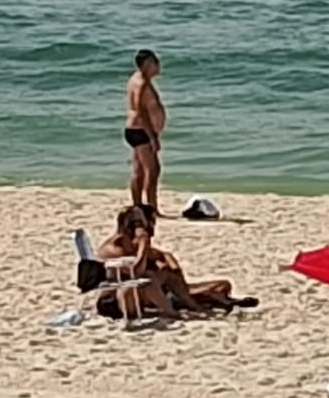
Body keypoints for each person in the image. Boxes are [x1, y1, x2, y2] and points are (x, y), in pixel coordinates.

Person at [98, 206, 256, 316]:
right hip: (121, 297)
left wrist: (168, 262)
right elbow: (136, 272)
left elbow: (161, 256)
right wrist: (144, 244)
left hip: (155, 291)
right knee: (160, 279)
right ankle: (197, 306)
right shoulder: (114, 249)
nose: (150, 228)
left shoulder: (129, 243)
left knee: (223, 285)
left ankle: (212, 302)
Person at [124, 49, 166, 220]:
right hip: (141, 131)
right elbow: (141, 111)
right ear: (148, 64)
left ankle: (137, 206)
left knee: (139, 170)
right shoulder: (142, 83)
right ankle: (151, 208)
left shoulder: (136, 79)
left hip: (134, 130)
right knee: (153, 170)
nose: (158, 65)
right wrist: (153, 137)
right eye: (155, 62)